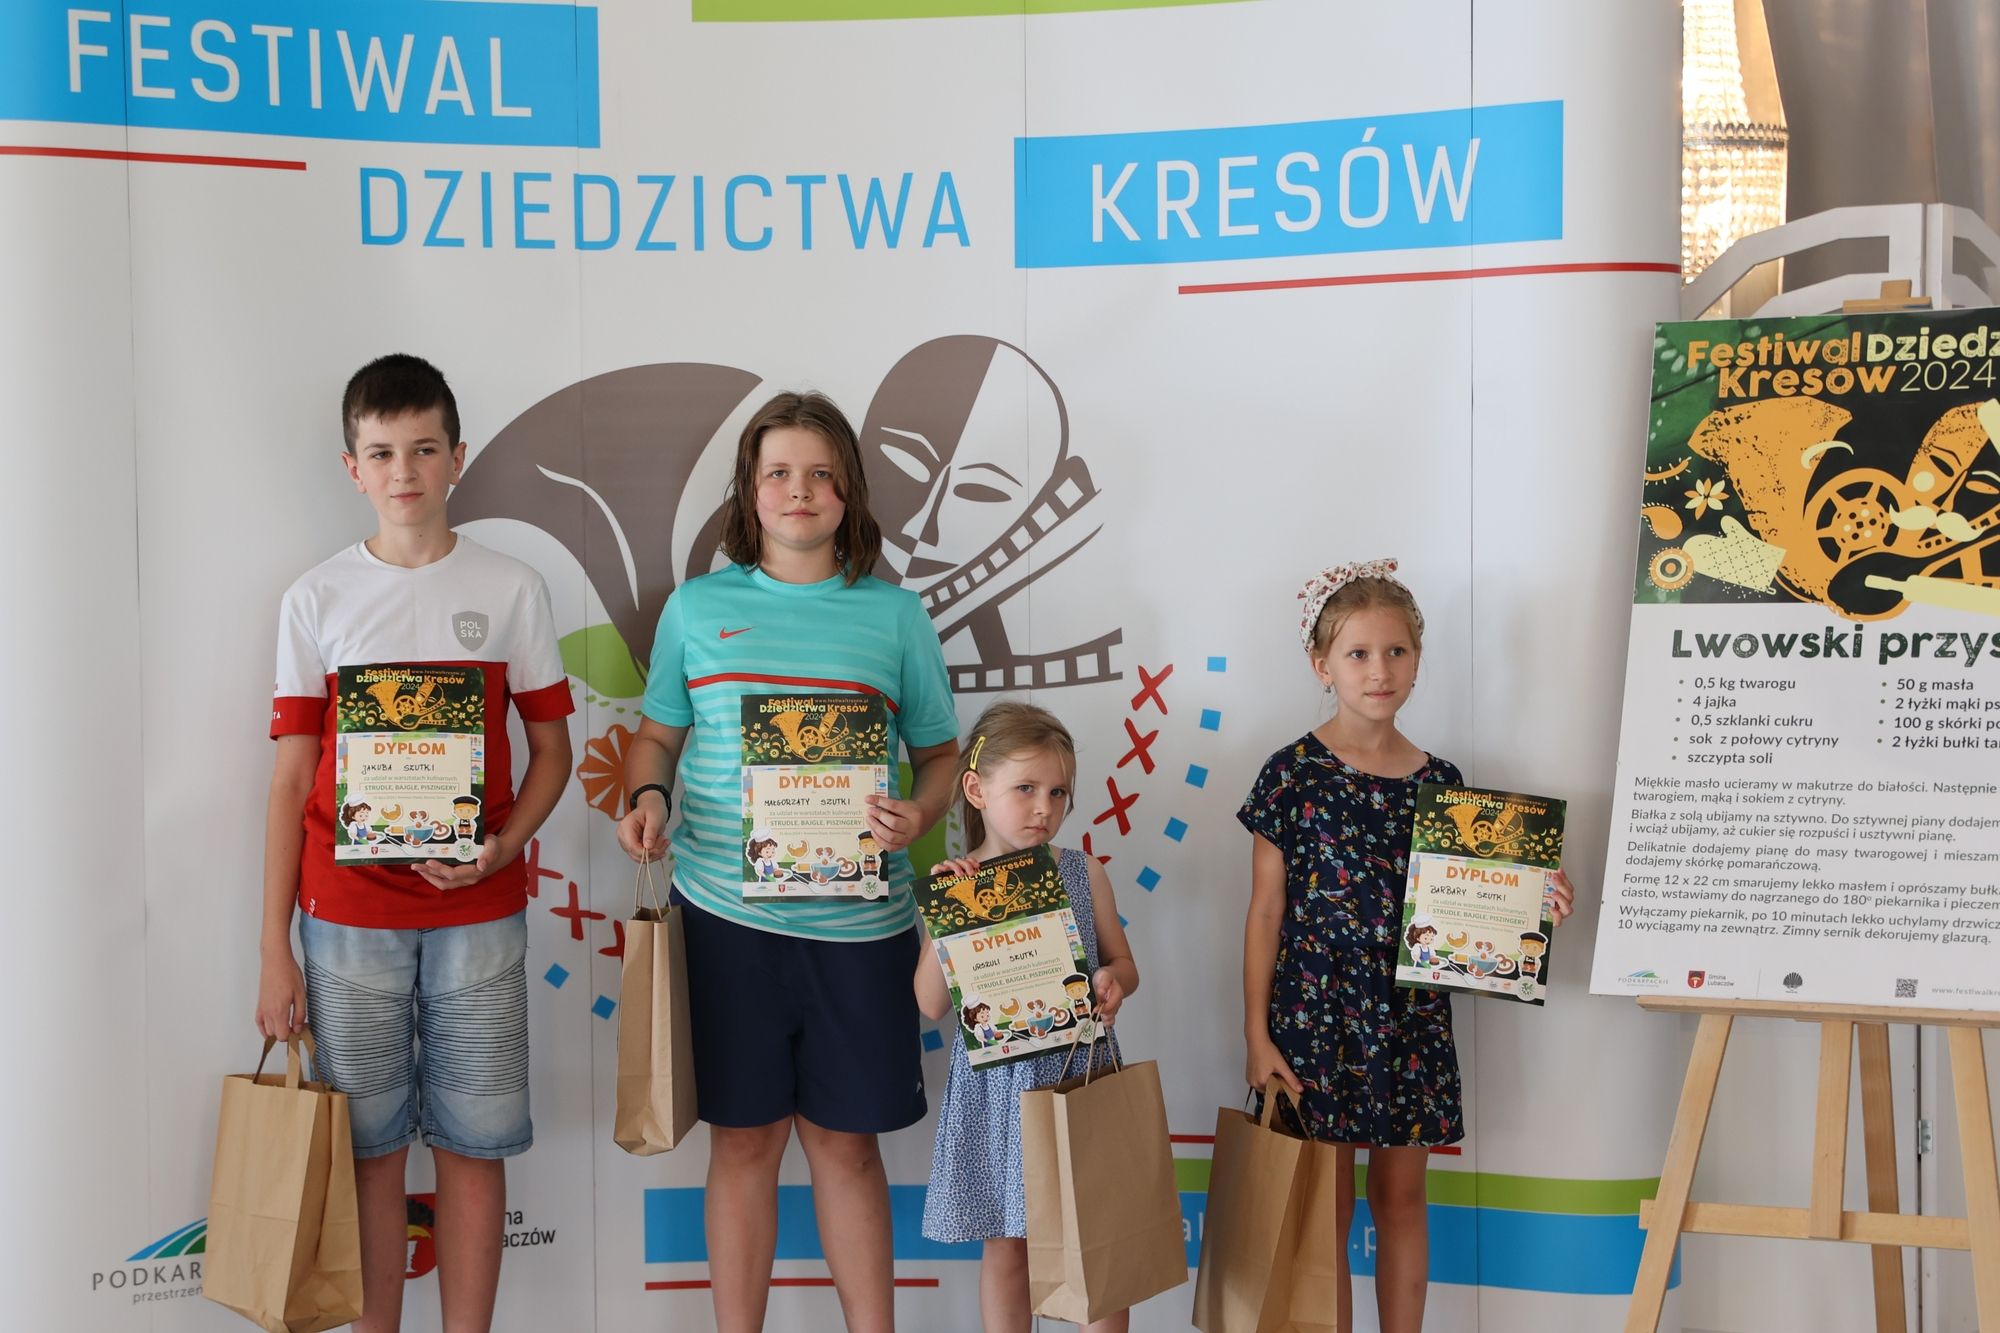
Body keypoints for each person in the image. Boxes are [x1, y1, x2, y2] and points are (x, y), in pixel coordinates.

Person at [615, 391, 960, 1333]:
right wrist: (648, 799)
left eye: (819, 473)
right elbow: (656, 738)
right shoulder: (697, 608)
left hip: (863, 929)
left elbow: (941, 754)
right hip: (729, 920)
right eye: (778, 473)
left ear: (848, 491)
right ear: (749, 490)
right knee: (744, 1143)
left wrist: (923, 810)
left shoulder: (896, 617)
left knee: (847, 1150)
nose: (798, 490)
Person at [255, 354, 575, 1333]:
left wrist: (503, 847)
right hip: (346, 918)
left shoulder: (511, 588)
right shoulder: (316, 599)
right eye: (384, 452)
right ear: (353, 466)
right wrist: (273, 947)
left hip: (480, 908)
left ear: (457, 458)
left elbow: (554, 752)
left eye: (425, 449)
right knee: (370, 1153)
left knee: (476, 1145)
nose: (405, 470)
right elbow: (289, 780)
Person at [1238, 559, 1574, 1333]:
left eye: (1396, 651)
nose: (1379, 670)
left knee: (1400, 1197)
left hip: (1409, 1018)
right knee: (1324, 1205)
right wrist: (1256, 1034)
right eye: (1358, 653)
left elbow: (1481, 915)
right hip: (1314, 1016)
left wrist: (1539, 902)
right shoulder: (1291, 774)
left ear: (1418, 659)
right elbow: (1264, 912)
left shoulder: (1444, 784)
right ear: (1322, 664)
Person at [916, 701, 1140, 1333]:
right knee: (1007, 1245)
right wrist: (947, 912)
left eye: (1058, 792)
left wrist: (1113, 982)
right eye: (1025, 789)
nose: (1044, 807)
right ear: (976, 790)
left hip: (1079, 1078)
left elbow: (1125, 964)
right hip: (997, 1092)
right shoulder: (958, 886)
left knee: (1095, 1238)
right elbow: (930, 1002)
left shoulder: (1082, 872)